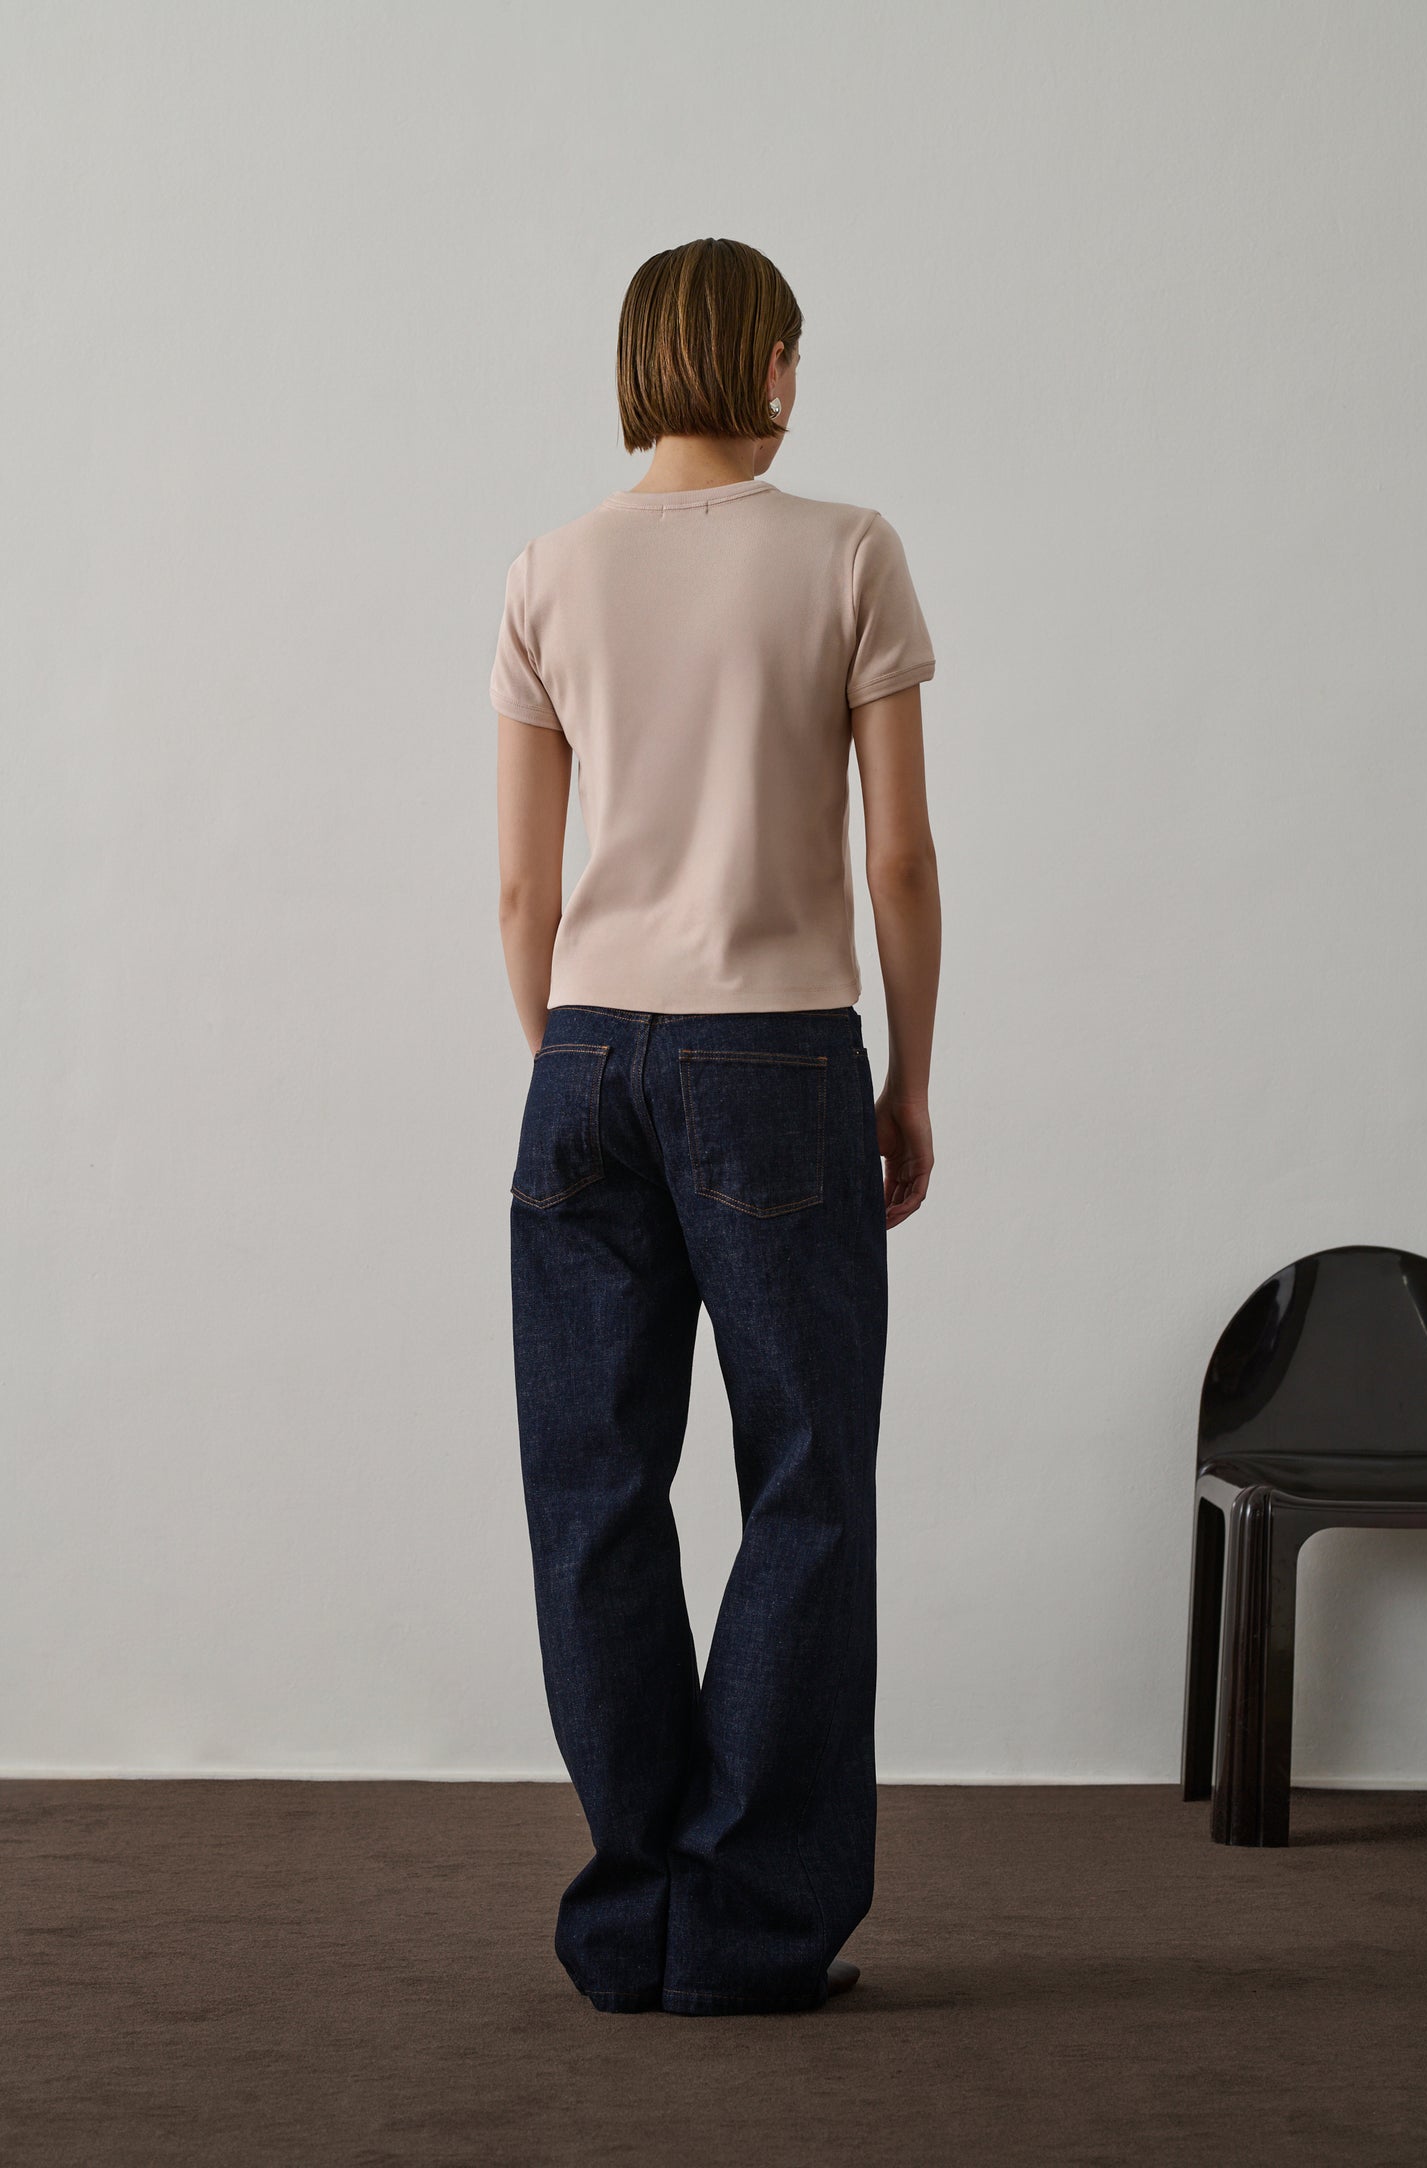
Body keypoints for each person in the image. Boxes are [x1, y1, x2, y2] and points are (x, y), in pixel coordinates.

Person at [491, 236, 940, 2017]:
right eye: (791, 353)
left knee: (591, 1494)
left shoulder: (548, 571)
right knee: (805, 1484)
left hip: (584, 1056)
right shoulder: (846, 551)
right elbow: (896, 859)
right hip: (777, 1058)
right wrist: (908, 1078)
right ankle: (746, 1926)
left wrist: (574, 1061)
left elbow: (522, 889)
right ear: (762, 363)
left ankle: (631, 1919)